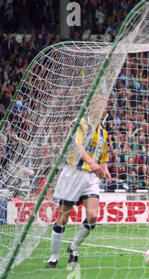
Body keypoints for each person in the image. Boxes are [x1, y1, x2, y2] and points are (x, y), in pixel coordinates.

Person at [46, 96, 111, 268]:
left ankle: (73, 248)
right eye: (101, 106)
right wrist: (92, 163)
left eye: (105, 107)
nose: (104, 110)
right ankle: (53, 258)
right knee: (63, 217)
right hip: (73, 173)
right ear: (91, 108)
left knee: (93, 216)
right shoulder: (79, 123)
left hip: (91, 177)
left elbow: (103, 155)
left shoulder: (103, 131)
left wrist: (105, 169)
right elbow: (77, 146)